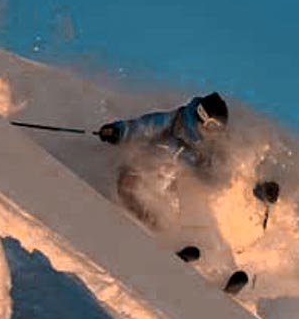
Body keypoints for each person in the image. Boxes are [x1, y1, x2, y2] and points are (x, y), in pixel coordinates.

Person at [96, 92, 229, 229]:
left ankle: (173, 238)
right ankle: (135, 222)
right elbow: (140, 127)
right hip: (139, 169)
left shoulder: (203, 150)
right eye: (212, 126)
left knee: (170, 212)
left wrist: (211, 175)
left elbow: (208, 173)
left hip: (165, 184)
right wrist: (117, 131)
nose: (213, 134)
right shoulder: (171, 123)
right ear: (201, 115)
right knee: (131, 191)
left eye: (218, 130)